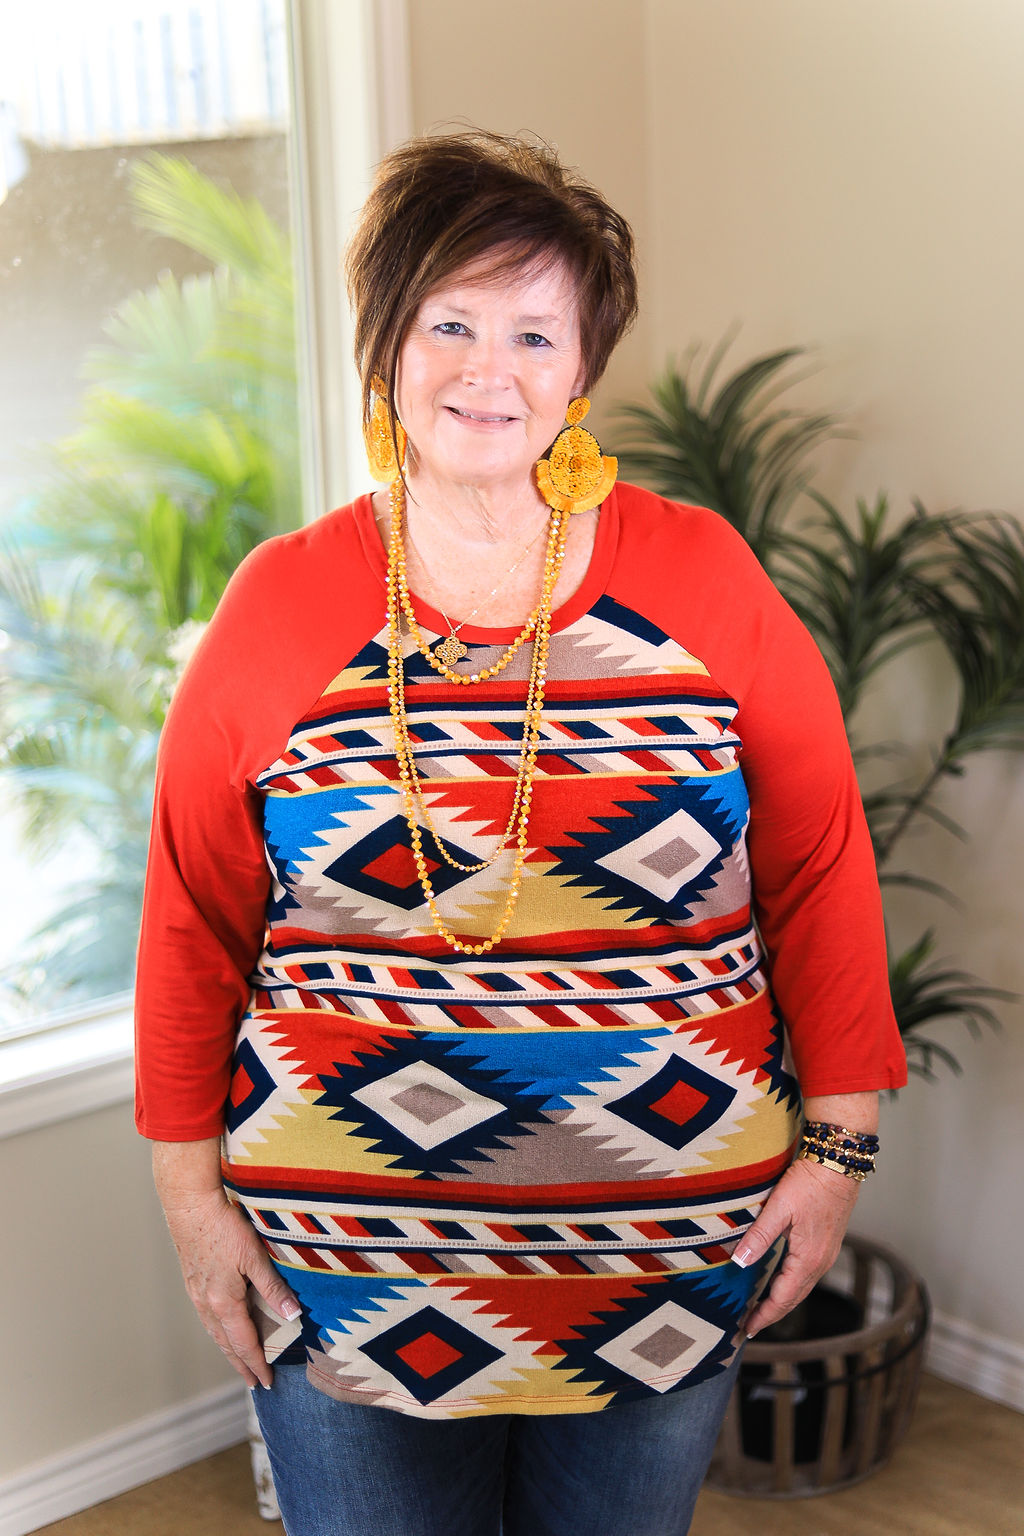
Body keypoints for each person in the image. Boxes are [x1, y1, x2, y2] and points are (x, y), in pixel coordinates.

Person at [135, 129, 906, 1536]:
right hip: (346, 1273)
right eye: (451, 321)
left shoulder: (702, 577)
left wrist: (839, 1149)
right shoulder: (279, 605)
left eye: (535, 333)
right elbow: (193, 918)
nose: (489, 368)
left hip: (663, 1256)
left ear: (580, 370)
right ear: (387, 340)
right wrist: (192, 1205)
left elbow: (817, 869)